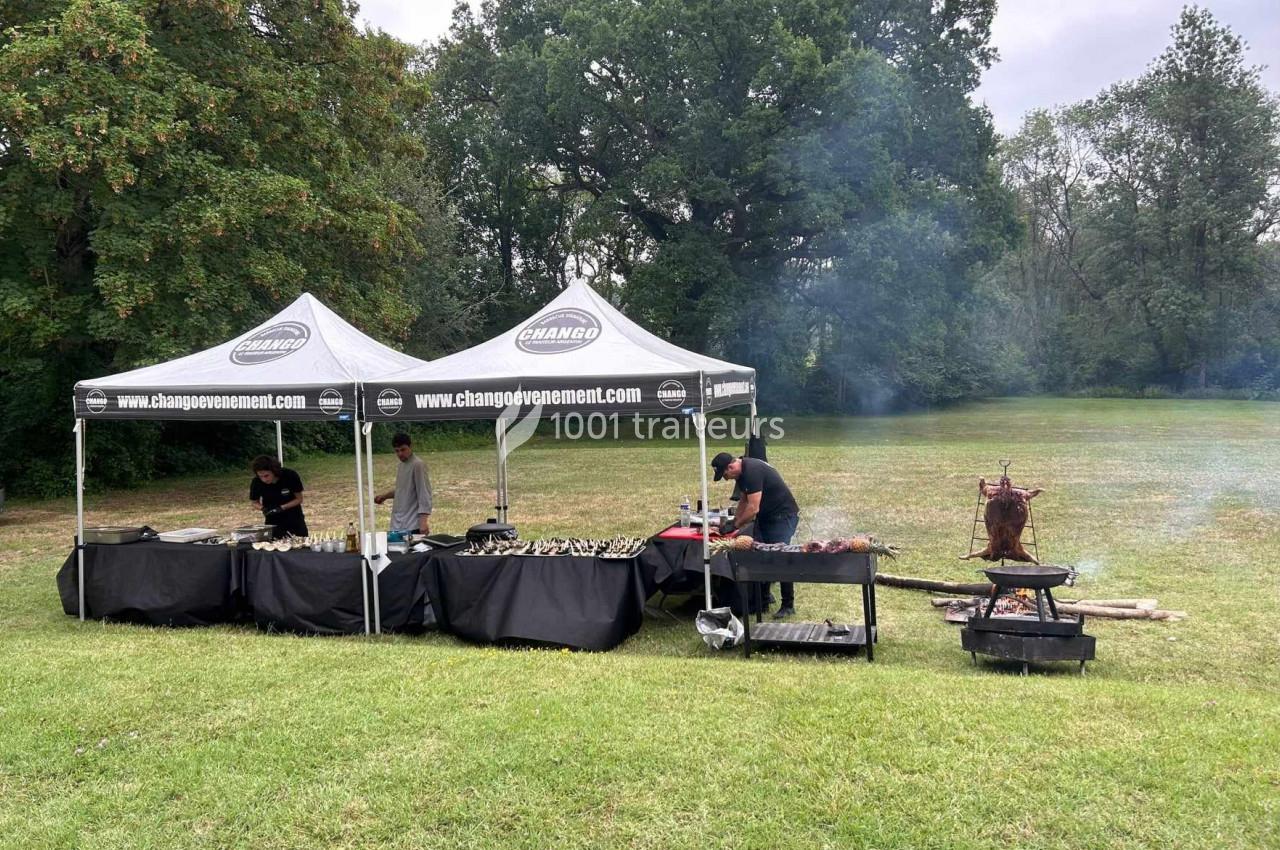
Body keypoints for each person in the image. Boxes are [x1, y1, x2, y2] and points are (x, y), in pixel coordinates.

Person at [711, 451, 801, 618]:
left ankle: (788, 604)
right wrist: (733, 522)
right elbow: (744, 500)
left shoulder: (752, 471)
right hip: (767, 517)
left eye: (725, 474)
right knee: (761, 556)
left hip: (783, 516)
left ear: (731, 466)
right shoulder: (743, 472)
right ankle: (764, 600)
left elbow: (753, 508)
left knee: (780, 558)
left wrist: (736, 525)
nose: (726, 478)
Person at [374, 433, 432, 535]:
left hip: (412, 525)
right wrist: (384, 496)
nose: (400, 454)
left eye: (403, 449)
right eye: (397, 451)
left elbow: (424, 494)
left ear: (410, 447)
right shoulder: (401, 465)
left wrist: (423, 522)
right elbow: (402, 490)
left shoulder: (417, 464)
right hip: (397, 524)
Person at [249, 455, 308, 539]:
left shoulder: (290, 475)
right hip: (272, 521)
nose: (264, 480)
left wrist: (282, 507)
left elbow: (299, 499)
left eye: (266, 475)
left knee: (299, 546)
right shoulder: (256, 482)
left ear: (274, 471)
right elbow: (254, 502)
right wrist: (263, 508)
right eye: (260, 476)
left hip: (294, 519)